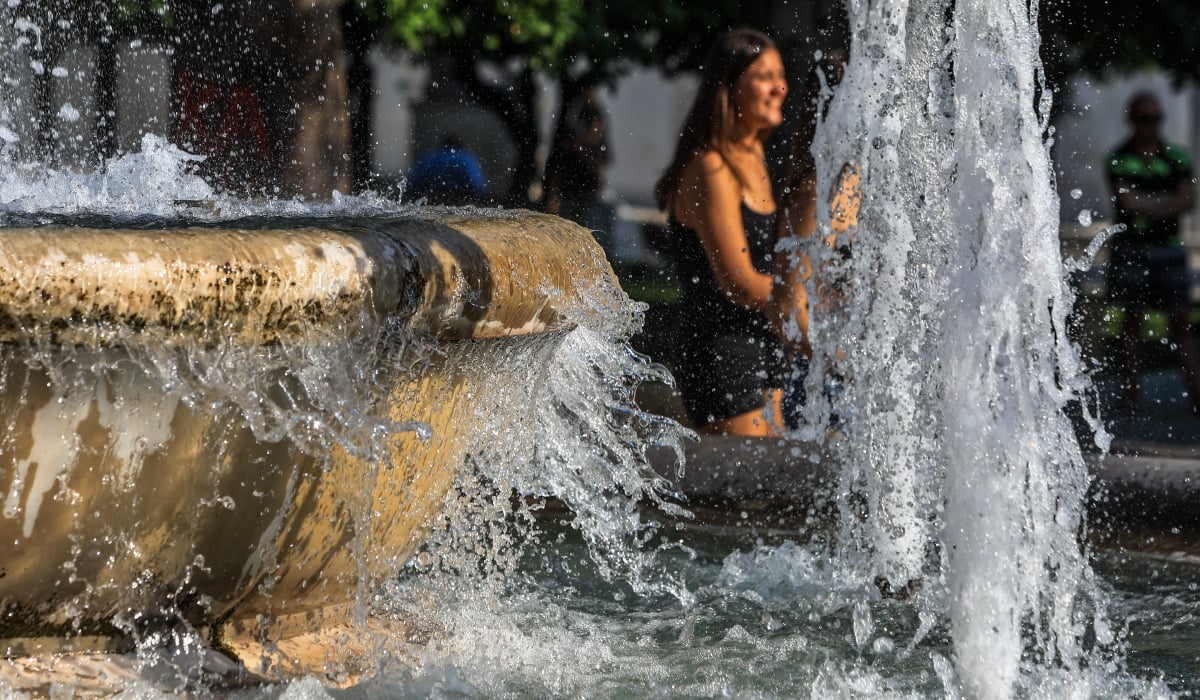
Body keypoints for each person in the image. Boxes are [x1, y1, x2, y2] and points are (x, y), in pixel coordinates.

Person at [654, 28, 789, 436]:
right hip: (723, 351)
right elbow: (740, 281)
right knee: (741, 491)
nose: (779, 87)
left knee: (771, 487)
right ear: (729, 87)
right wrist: (806, 296)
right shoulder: (711, 168)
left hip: (763, 343)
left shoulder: (754, 156)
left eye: (780, 75)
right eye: (764, 76)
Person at [769, 50, 857, 428]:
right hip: (825, 389)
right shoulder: (815, 195)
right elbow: (788, 308)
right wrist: (840, 363)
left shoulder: (852, 187)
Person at [1104, 92, 1200, 414]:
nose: (1150, 126)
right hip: (1132, 248)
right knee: (1131, 322)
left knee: (1181, 321)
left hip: (1168, 250)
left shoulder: (1176, 157)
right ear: (1132, 120)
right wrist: (1165, 203)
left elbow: (1187, 202)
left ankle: (1195, 392)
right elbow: (1126, 203)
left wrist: (1145, 204)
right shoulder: (1118, 158)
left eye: (1156, 119)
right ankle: (1132, 394)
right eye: (1144, 119)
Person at [544, 88, 611, 233]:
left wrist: (576, 143)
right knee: (572, 216)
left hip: (586, 177)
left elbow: (596, 137)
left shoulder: (593, 112)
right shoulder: (577, 111)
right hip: (576, 176)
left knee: (583, 218)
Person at [407, 133, 488, 205]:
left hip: (432, 201)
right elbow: (479, 186)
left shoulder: (430, 157)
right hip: (461, 202)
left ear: (442, 144)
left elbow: (413, 181)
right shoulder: (466, 159)